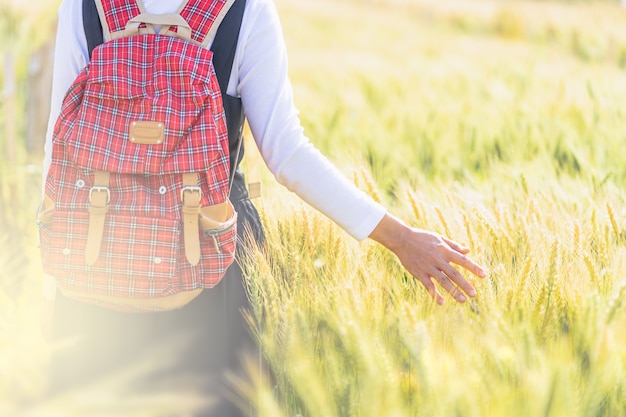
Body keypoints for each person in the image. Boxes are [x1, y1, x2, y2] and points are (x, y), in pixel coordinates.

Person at [40, 0, 487, 415]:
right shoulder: (242, 10)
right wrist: (400, 238)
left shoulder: (86, 7)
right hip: (210, 262)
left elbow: (57, 148)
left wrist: (58, 264)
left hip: (95, 256)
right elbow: (287, 153)